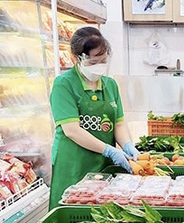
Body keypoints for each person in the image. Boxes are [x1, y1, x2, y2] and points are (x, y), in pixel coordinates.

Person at [48, 27, 139, 209]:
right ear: (77, 58)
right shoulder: (64, 85)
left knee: (103, 217)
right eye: (94, 62)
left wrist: (127, 145)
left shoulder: (110, 85)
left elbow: (118, 123)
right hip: (75, 163)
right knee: (74, 213)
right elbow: (71, 130)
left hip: (103, 165)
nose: (99, 66)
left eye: (103, 60)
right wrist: (109, 150)